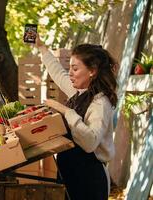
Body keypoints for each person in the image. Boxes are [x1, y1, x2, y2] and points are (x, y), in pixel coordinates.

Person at [34, 35, 116, 200]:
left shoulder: (100, 104)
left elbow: (90, 142)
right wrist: (41, 47)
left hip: (89, 182)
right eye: (70, 68)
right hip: (71, 175)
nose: (70, 73)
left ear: (92, 71)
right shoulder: (80, 93)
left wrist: (65, 111)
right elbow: (59, 74)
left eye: (75, 69)